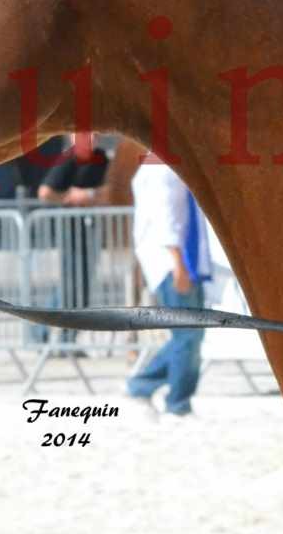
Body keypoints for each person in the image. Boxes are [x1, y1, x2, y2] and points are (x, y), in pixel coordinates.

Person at [123, 159, 211, 418]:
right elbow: (167, 218)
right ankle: (175, 402)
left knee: (187, 336)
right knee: (188, 336)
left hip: (175, 261)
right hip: (174, 263)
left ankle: (142, 386)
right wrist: (178, 265)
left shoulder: (153, 168)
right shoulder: (164, 171)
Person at [38, 133, 112, 345]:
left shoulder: (101, 157)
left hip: (90, 229)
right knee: (71, 285)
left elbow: (107, 190)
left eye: (93, 134)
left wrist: (89, 196)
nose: (90, 138)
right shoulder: (68, 158)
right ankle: (41, 331)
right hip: (70, 230)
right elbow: (45, 192)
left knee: (83, 285)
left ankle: (68, 339)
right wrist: (69, 198)